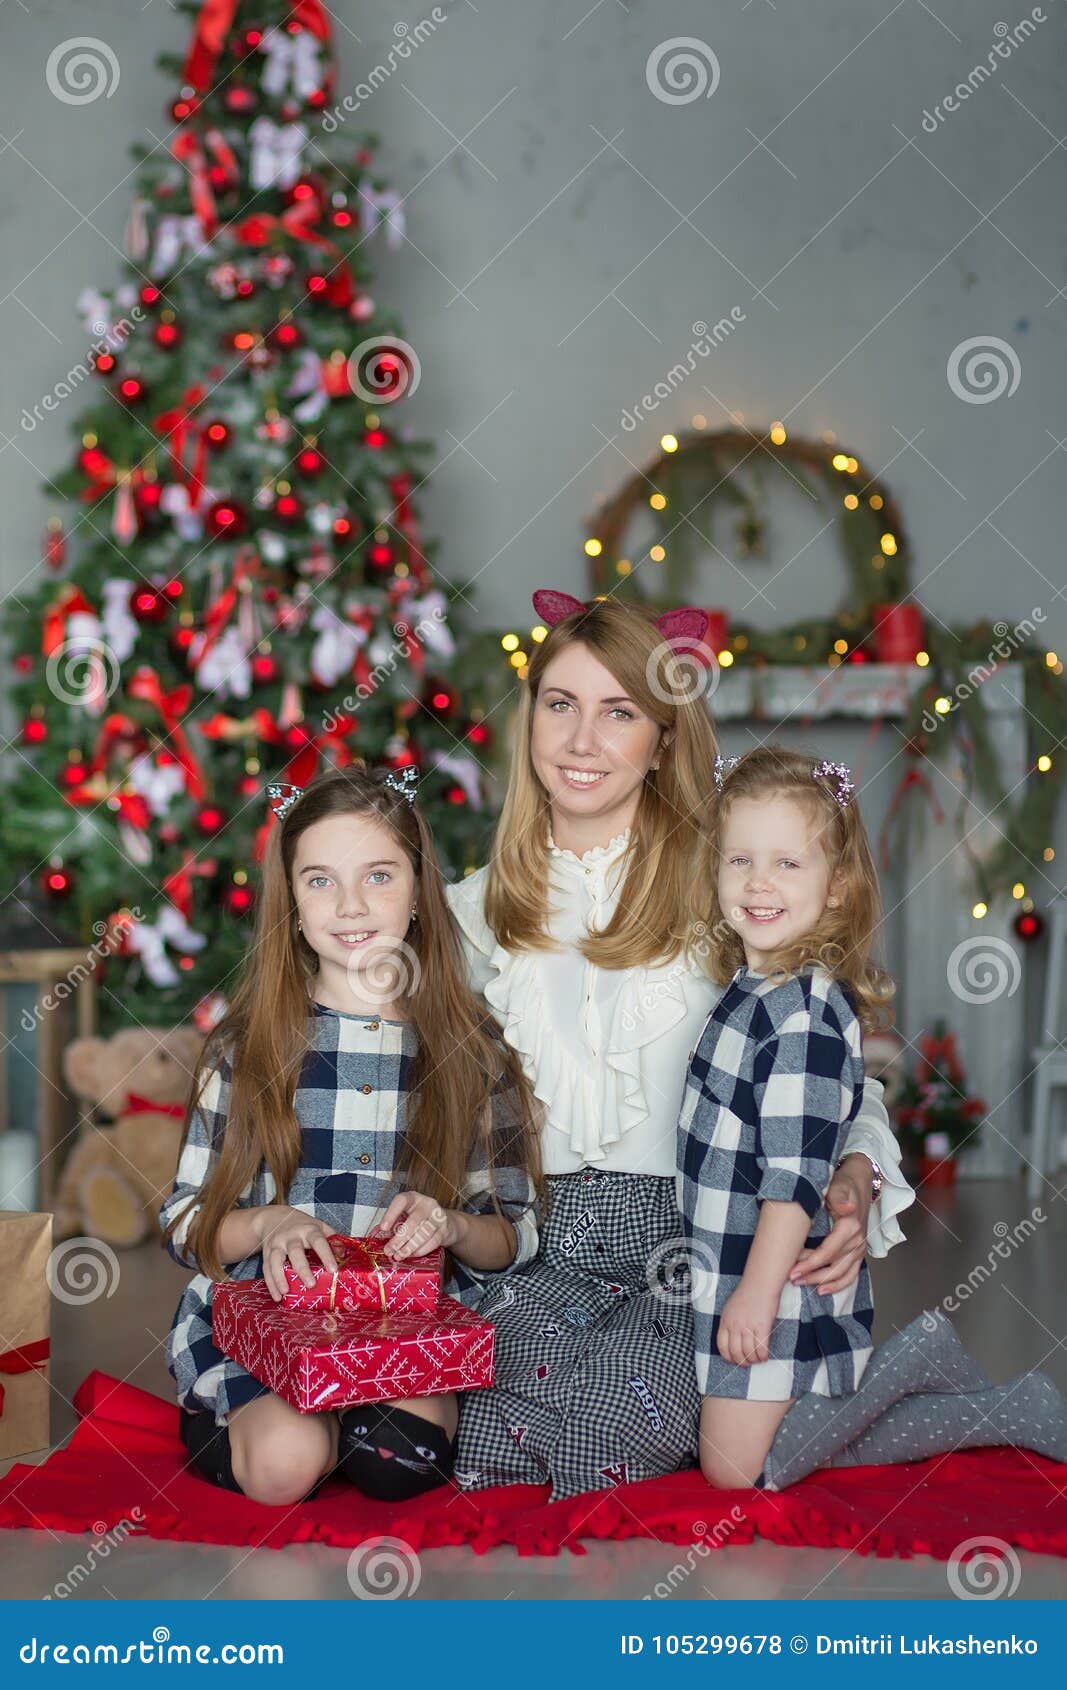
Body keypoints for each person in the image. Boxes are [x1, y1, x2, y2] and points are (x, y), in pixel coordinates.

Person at [445, 590, 911, 1501]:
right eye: (560, 704)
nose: (582, 742)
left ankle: (871, 1396)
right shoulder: (473, 912)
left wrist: (851, 1179)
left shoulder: (728, 884)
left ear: (663, 734)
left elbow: (827, 1072)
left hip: (693, 1250)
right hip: (545, 1246)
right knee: (474, 1449)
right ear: (528, 716)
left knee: (591, 1451)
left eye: (619, 712)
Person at [159, 764, 544, 1508]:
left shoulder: (472, 1050)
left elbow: (515, 1233)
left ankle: (347, 1419)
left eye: (377, 875)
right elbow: (183, 1225)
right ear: (292, 903)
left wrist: (452, 1223)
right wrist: (271, 1221)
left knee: (400, 1465)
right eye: (320, 881)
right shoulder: (250, 1047)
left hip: (402, 1322)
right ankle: (255, 1423)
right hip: (269, 1318)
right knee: (284, 1468)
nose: (351, 905)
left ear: (419, 890)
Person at [678, 745, 893, 1488]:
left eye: (787, 864)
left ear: (837, 886)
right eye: (739, 861)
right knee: (718, 1447)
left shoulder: (802, 1012)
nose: (758, 883)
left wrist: (758, 1293)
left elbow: (796, 1174)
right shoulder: (751, 988)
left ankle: (905, 1394)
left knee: (733, 1472)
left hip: (771, 1279)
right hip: (724, 1263)